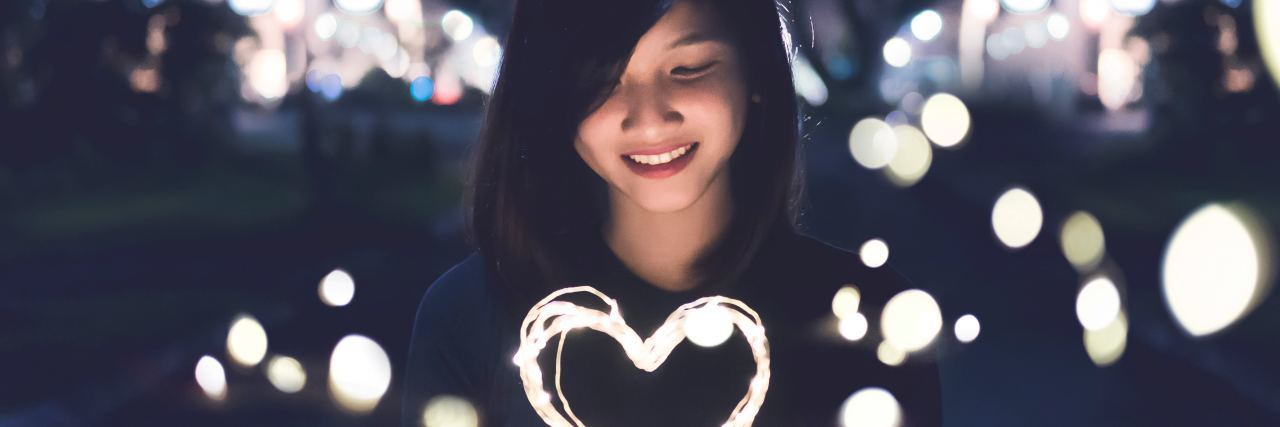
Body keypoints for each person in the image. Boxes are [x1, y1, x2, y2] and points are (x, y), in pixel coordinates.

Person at [403, 0, 942, 425]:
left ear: (754, 74)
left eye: (688, 68)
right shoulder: (469, 318)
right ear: (552, 97)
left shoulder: (867, 320)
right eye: (601, 81)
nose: (649, 118)